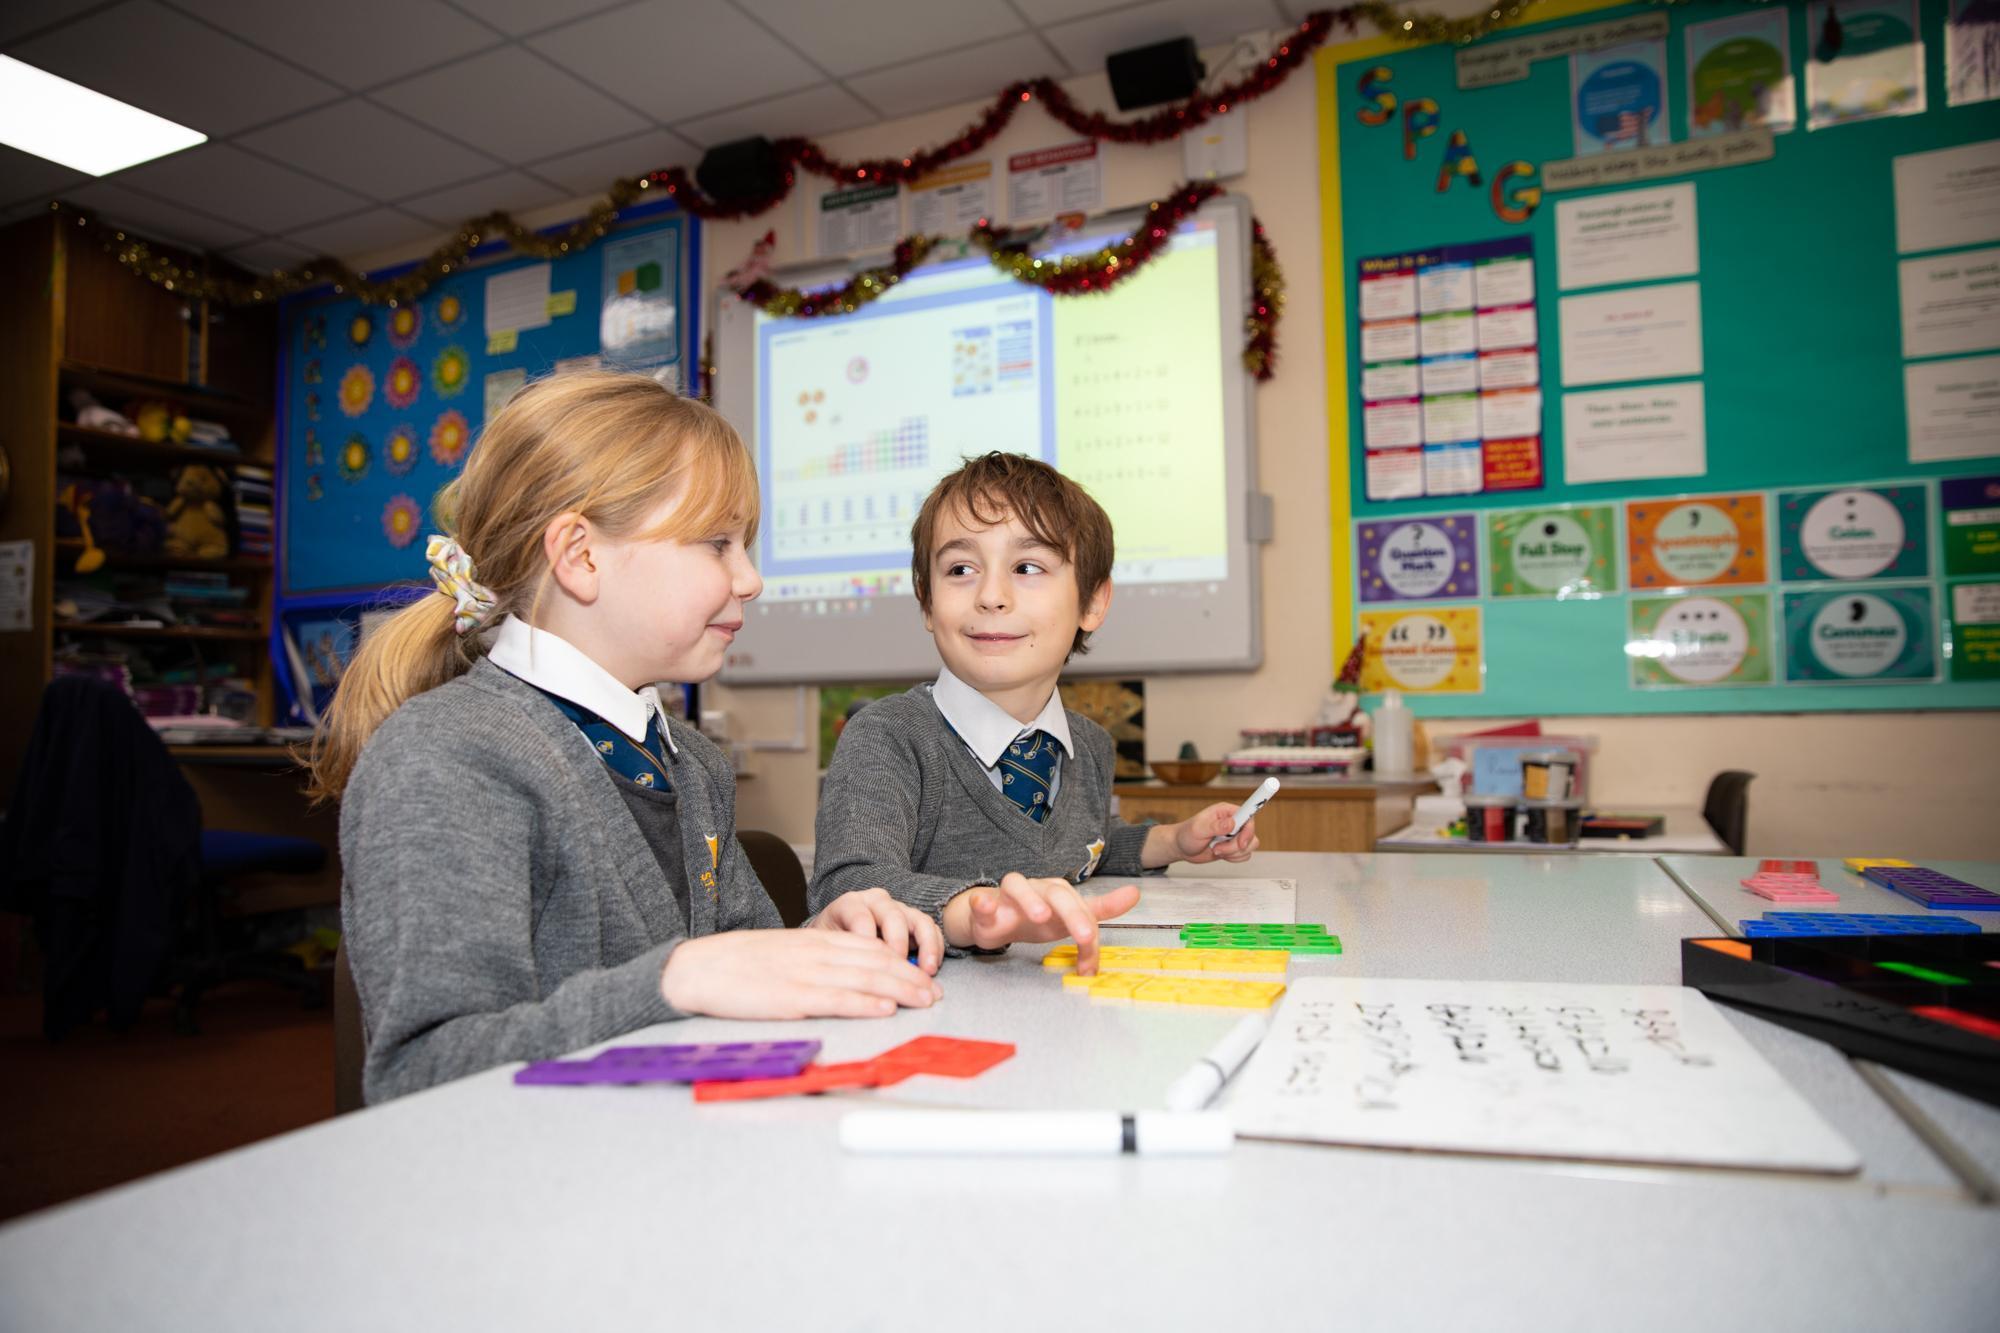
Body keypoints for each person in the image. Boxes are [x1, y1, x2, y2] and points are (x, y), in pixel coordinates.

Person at [311, 371, 940, 1103]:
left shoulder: (689, 761)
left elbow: (730, 970)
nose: (750, 579)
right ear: (581, 556)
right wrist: (677, 979)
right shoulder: (445, 757)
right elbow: (423, 1073)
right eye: (718, 543)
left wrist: (816, 943)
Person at [810, 452, 1258, 975]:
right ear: (927, 603)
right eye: (960, 569)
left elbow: (1082, 846)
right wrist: (974, 913)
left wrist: (1174, 841)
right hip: (927, 1008)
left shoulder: (1089, 744)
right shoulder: (888, 738)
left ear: (1092, 603)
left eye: (1027, 568)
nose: (991, 596)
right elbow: (847, 886)